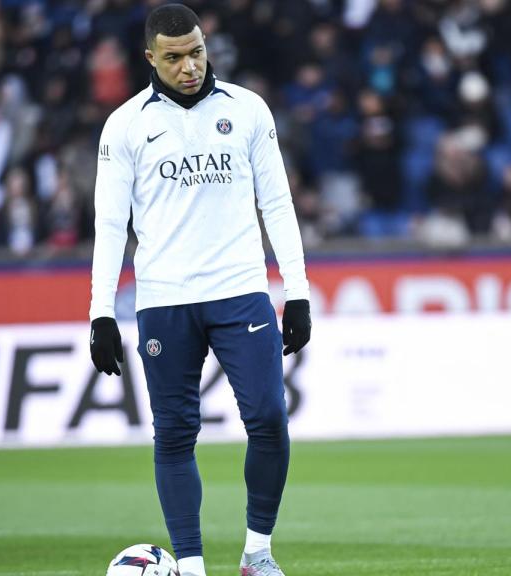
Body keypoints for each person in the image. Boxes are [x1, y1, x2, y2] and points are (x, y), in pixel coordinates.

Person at [87, 5, 311, 576]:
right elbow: (111, 225)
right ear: (150, 59)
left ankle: (257, 553)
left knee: (268, 419)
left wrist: (299, 291)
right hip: (163, 298)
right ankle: (190, 565)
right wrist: (101, 313)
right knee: (175, 433)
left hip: (240, 290)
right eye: (174, 57)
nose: (189, 66)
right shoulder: (126, 125)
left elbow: (278, 203)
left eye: (196, 52)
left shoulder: (249, 109)